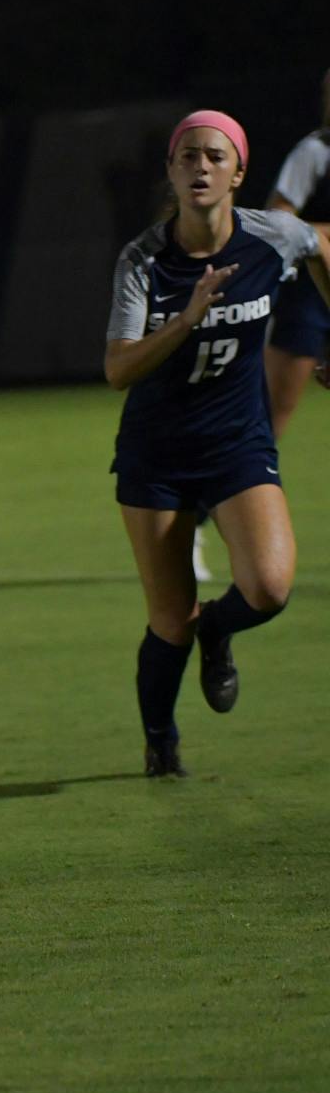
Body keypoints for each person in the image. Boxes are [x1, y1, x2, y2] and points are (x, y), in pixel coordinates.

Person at [103, 110, 330, 779]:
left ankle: (220, 628)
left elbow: (321, 246)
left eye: (215, 156)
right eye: (188, 156)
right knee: (169, 619)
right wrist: (187, 319)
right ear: (171, 172)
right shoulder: (144, 260)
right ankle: (160, 740)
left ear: (239, 172)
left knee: (268, 586)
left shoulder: (270, 236)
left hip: (237, 444)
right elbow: (118, 369)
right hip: (157, 455)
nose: (201, 166)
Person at [265, 67, 330, 440]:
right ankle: (230, 494)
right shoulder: (315, 151)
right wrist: (320, 235)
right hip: (309, 298)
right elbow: (277, 219)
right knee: (270, 415)